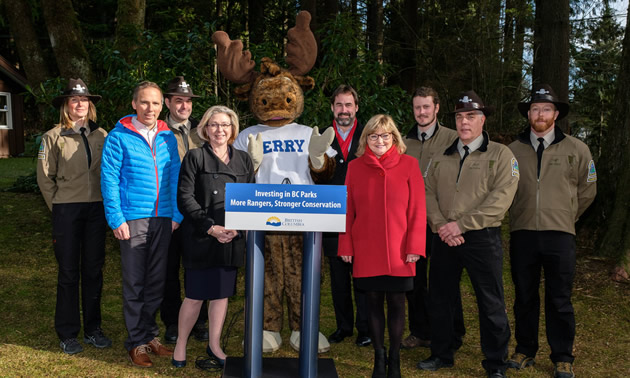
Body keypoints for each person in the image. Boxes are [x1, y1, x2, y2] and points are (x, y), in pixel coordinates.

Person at [417, 90, 518, 378]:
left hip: (481, 238)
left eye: (471, 116)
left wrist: (461, 225)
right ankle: (441, 353)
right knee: (440, 298)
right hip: (443, 236)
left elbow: (500, 199)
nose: (464, 122)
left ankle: (496, 363)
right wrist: (440, 225)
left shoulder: (500, 154)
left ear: (482, 120)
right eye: (460, 117)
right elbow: (427, 193)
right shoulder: (441, 157)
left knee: (490, 301)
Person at [507, 84, 596, 378]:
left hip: (560, 235)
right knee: (524, 295)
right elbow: (503, 190)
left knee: (560, 298)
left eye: (546, 109)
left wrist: (567, 215)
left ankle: (562, 356)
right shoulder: (513, 150)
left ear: (556, 114)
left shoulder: (577, 149)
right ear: (528, 114)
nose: (540, 114)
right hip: (523, 233)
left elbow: (588, 188)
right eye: (535, 109)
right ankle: (525, 349)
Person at [101, 81, 182, 367]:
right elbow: (109, 179)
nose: (150, 108)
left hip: (163, 218)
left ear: (163, 106)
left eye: (156, 103)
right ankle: (136, 342)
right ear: (134, 104)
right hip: (133, 218)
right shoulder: (118, 137)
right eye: (145, 102)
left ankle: (150, 334)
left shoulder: (167, 136)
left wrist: (176, 215)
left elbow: (174, 176)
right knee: (135, 282)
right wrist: (116, 218)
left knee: (157, 281)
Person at [338, 114, 426, 378]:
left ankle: (395, 359)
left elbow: (418, 210)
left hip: (401, 250)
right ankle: (379, 357)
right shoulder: (354, 167)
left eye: (385, 135)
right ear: (366, 139)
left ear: (394, 138)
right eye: (374, 135)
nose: (380, 140)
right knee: (372, 302)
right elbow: (347, 210)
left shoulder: (410, 165)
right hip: (367, 248)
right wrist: (346, 246)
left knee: (398, 303)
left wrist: (415, 246)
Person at [172, 105, 254, 368]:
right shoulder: (195, 157)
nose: (220, 130)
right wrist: (211, 227)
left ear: (233, 129)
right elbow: (184, 198)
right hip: (202, 235)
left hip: (232, 236)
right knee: (195, 295)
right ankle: (181, 343)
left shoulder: (243, 159)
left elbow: (252, 197)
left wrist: (238, 229)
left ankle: (215, 344)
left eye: (225, 125)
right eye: (214, 125)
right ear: (205, 129)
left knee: (221, 294)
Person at [37, 78, 112, 355]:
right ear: (66, 105)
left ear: (89, 104)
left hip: (96, 209)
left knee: (93, 270)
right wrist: (57, 209)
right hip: (67, 210)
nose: (80, 104)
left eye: (84, 100)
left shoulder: (102, 134)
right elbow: (45, 178)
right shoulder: (53, 136)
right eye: (74, 100)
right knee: (68, 272)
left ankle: (93, 329)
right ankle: (68, 333)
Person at [402, 86, 465, 350]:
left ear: (437, 108)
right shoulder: (404, 141)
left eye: (426, 106)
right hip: (410, 221)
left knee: (445, 280)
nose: (422, 112)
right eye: (417, 107)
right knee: (414, 279)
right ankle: (420, 330)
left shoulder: (454, 138)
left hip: (442, 221)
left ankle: (453, 332)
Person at [320, 85, 370, 347]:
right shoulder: (321, 137)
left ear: (356, 108)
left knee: (361, 275)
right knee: (338, 276)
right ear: (332, 108)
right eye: (339, 105)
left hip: (362, 215)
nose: (344, 110)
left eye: (348, 105)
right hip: (331, 214)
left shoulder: (370, 135)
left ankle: (365, 328)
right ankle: (343, 326)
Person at [160, 76, 208, 344]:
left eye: (188, 101)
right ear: (168, 102)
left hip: (197, 211)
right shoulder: (158, 130)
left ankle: (199, 321)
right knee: (169, 269)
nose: (184, 106)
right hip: (168, 210)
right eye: (179, 100)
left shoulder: (201, 131)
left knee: (197, 267)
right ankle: (171, 321)